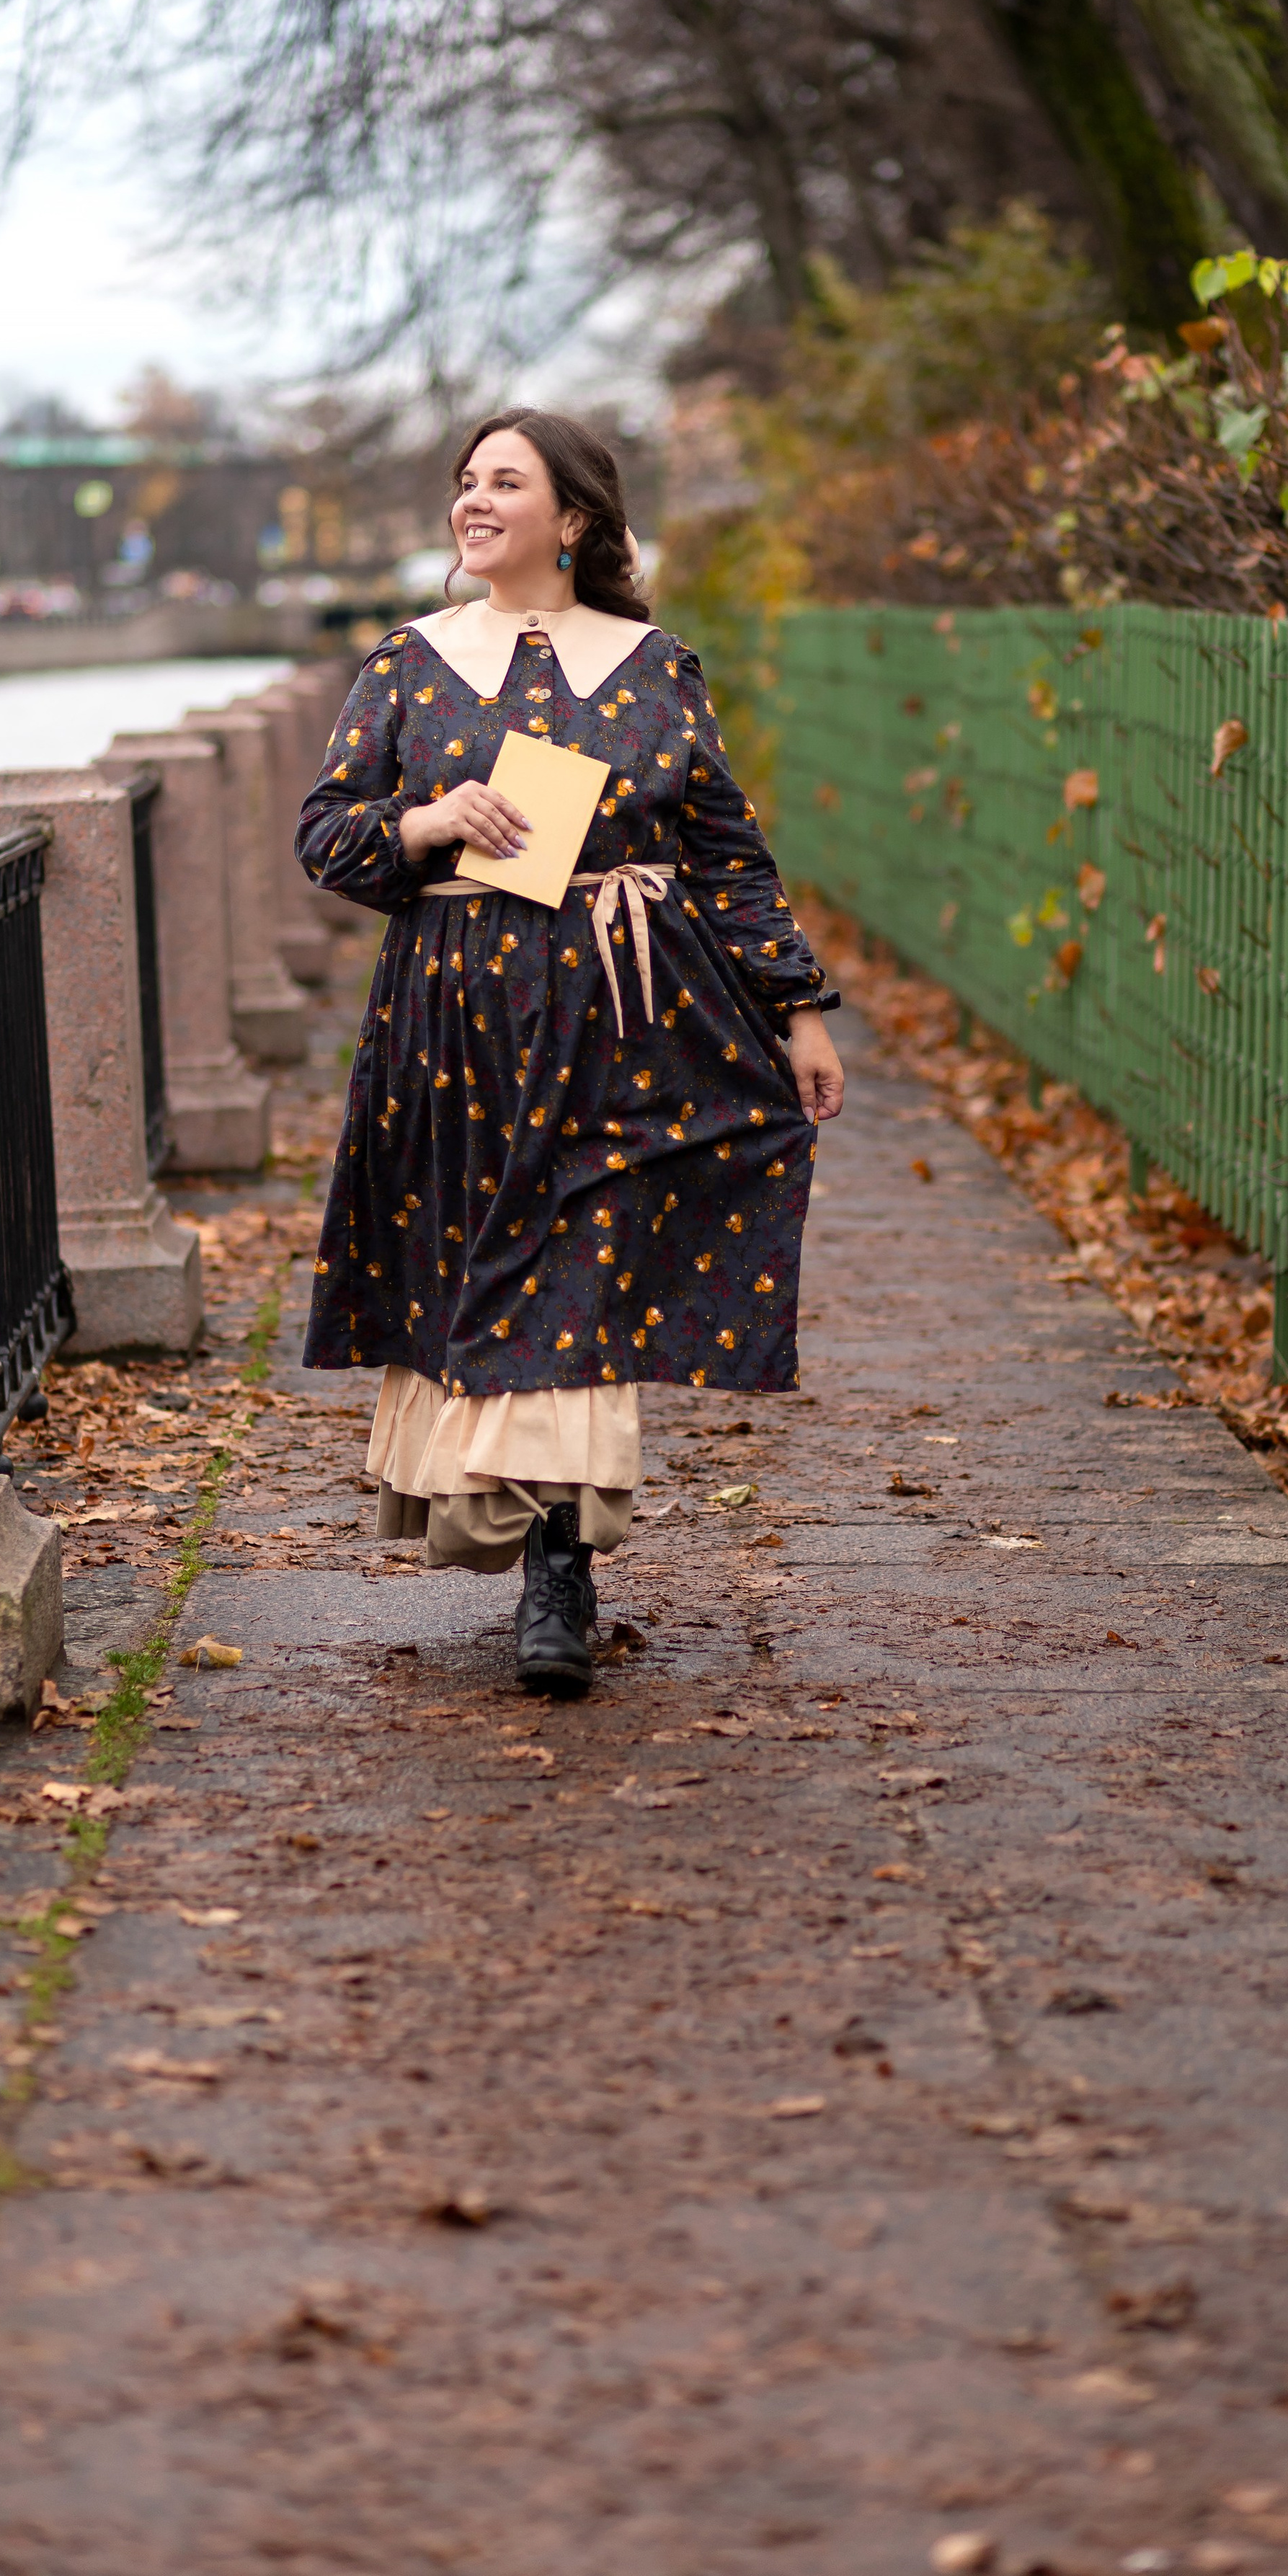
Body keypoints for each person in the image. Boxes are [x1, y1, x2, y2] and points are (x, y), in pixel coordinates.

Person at [296, 407, 844, 1695]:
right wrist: (429, 819)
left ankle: (563, 1573)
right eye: (464, 484)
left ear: (576, 519)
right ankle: (517, 1528)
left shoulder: (658, 666)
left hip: (628, 1019)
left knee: (585, 1273)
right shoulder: (408, 665)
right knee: (488, 1266)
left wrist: (798, 1009)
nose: (472, 504)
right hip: (454, 1028)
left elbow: (726, 858)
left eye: (504, 483)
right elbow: (328, 836)